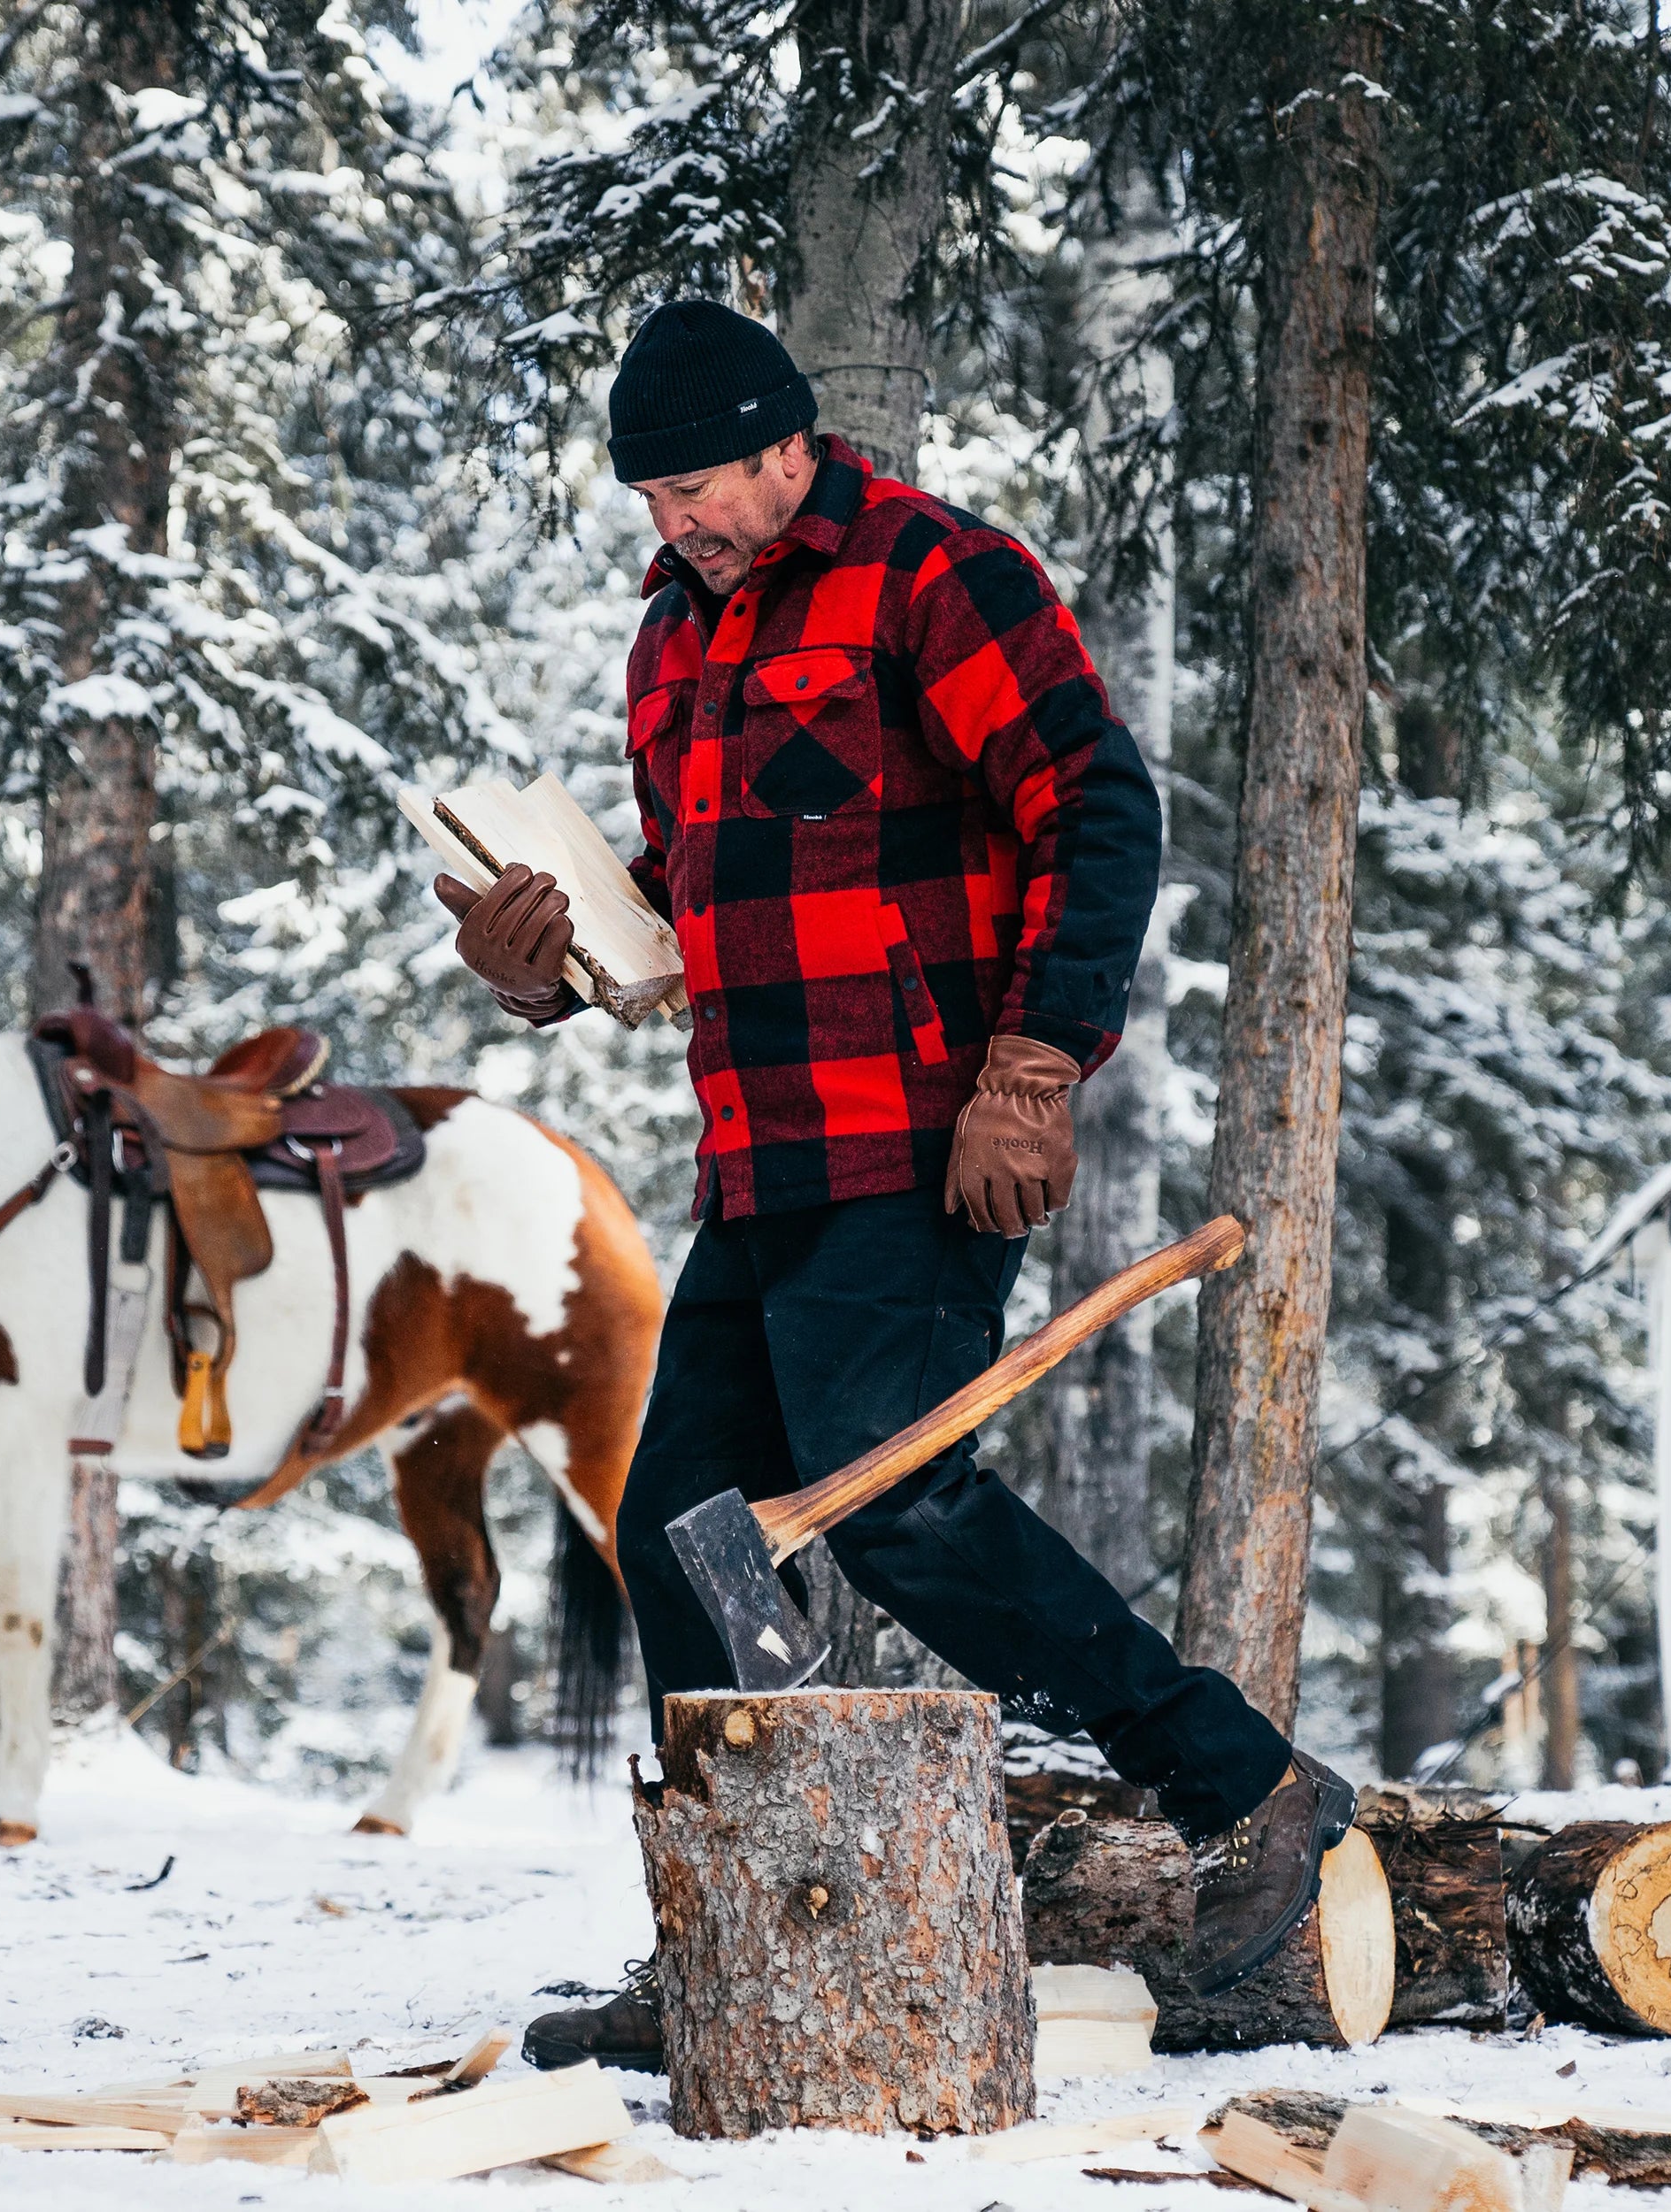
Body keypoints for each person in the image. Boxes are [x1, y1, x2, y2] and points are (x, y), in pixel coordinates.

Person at [434, 301, 1353, 2072]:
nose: (670, 525)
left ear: (787, 447)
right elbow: (692, 892)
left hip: (921, 1137)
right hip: (758, 1156)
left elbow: (1099, 803)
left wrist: (1029, 1069)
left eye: (694, 487)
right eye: (647, 498)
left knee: (895, 1502)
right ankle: (727, 1938)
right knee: (677, 1536)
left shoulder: (935, 575)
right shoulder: (668, 639)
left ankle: (1245, 1789)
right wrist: (546, 953)